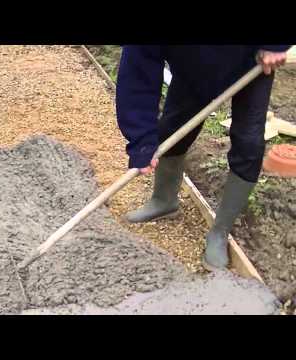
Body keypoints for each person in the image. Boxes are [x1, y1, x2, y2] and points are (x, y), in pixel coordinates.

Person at [116, 45, 290, 271]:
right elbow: (137, 75)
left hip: (249, 61)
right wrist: (141, 142)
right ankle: (164, 200)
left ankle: (219, 232)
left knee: (248, 144)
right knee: (171, 130)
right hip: (191, 69)